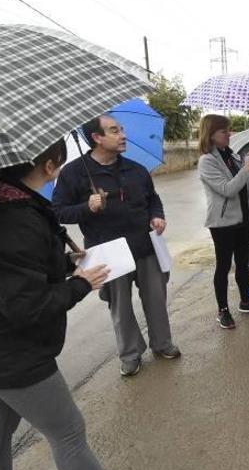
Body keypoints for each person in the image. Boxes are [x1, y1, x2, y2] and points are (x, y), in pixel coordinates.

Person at [0, 139, 111, 470]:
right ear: (49, 166)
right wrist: (80, 284)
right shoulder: (15, 219)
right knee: (69, 433)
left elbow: (6, 271)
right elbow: (26, 306)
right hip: (12, 355)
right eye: (59, 162)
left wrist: (62, 262)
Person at [52, 114, 180, 377]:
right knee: (120, 307)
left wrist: (158, 215)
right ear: (97, 138)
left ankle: (162, 344)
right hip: (107, 251)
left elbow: (152, 198)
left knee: (156, 299)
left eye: (121, 129)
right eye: (114, 131)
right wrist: (86, 207)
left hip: (145, 246)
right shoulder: (73, 174)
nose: (123, 135)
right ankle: (130, 354)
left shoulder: (136, 169)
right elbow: (59, 212)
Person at [197, 114, 249, 329]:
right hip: (222, 223)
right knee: (223, 266)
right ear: (210, 135)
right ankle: (223, 310)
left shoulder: (232, 155)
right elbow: (227, 190)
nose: (229, 134)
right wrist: (247, 168)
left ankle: (245, 301)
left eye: (229, 130)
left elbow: (244, 183)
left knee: (243, 263)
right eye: (223, 131)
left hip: (242, 218)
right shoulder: (207, 161)